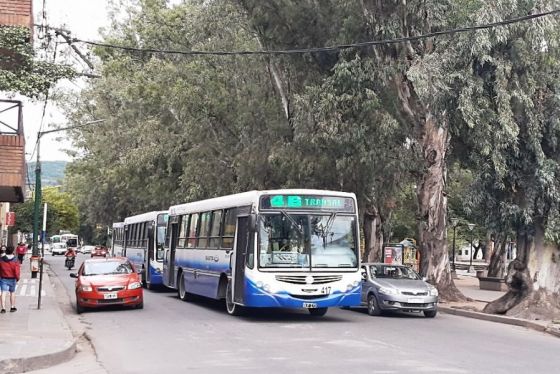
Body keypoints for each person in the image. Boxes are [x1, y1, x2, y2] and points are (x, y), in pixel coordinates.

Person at [0, 246, 20, 313]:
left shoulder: (1, 259)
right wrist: (17, 278)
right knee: (12, 292)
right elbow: (17, 271)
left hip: (3, 278)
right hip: (12, 278)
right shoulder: (15, 259)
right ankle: (12, 307)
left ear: (6, 251)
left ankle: (3, 308)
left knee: (3, 293)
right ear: (13, 251)